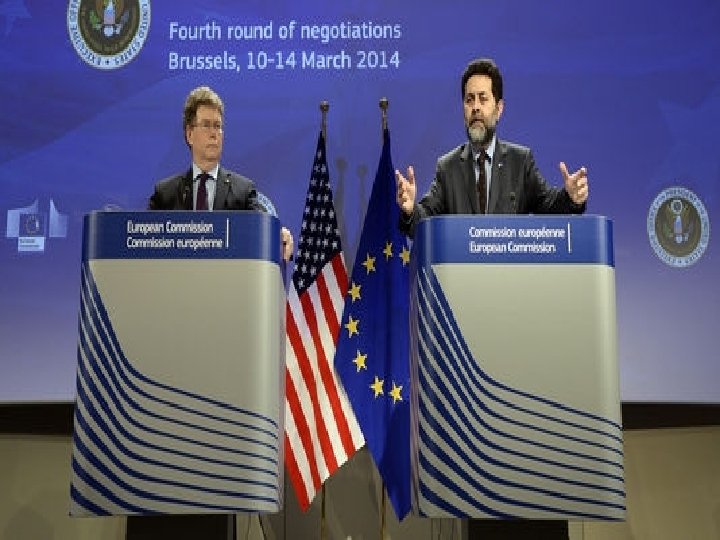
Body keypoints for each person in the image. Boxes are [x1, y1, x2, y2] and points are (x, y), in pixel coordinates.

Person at [396, 57, 588, 237]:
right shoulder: (448, 168)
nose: (475, 107)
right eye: (469, 99)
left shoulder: (520, 162)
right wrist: (411, 211)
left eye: (483, 98)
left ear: (499, 108)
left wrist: (571, 198)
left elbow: (549, 206)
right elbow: (425, 220)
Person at [148, 85, 293, 261]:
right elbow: (145, 242)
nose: (214, 134)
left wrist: (277, 235)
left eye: (217, 126)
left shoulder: (243, 191)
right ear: (189, 134)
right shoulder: (165, 194)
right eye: (206, 125)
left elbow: (261, 229)